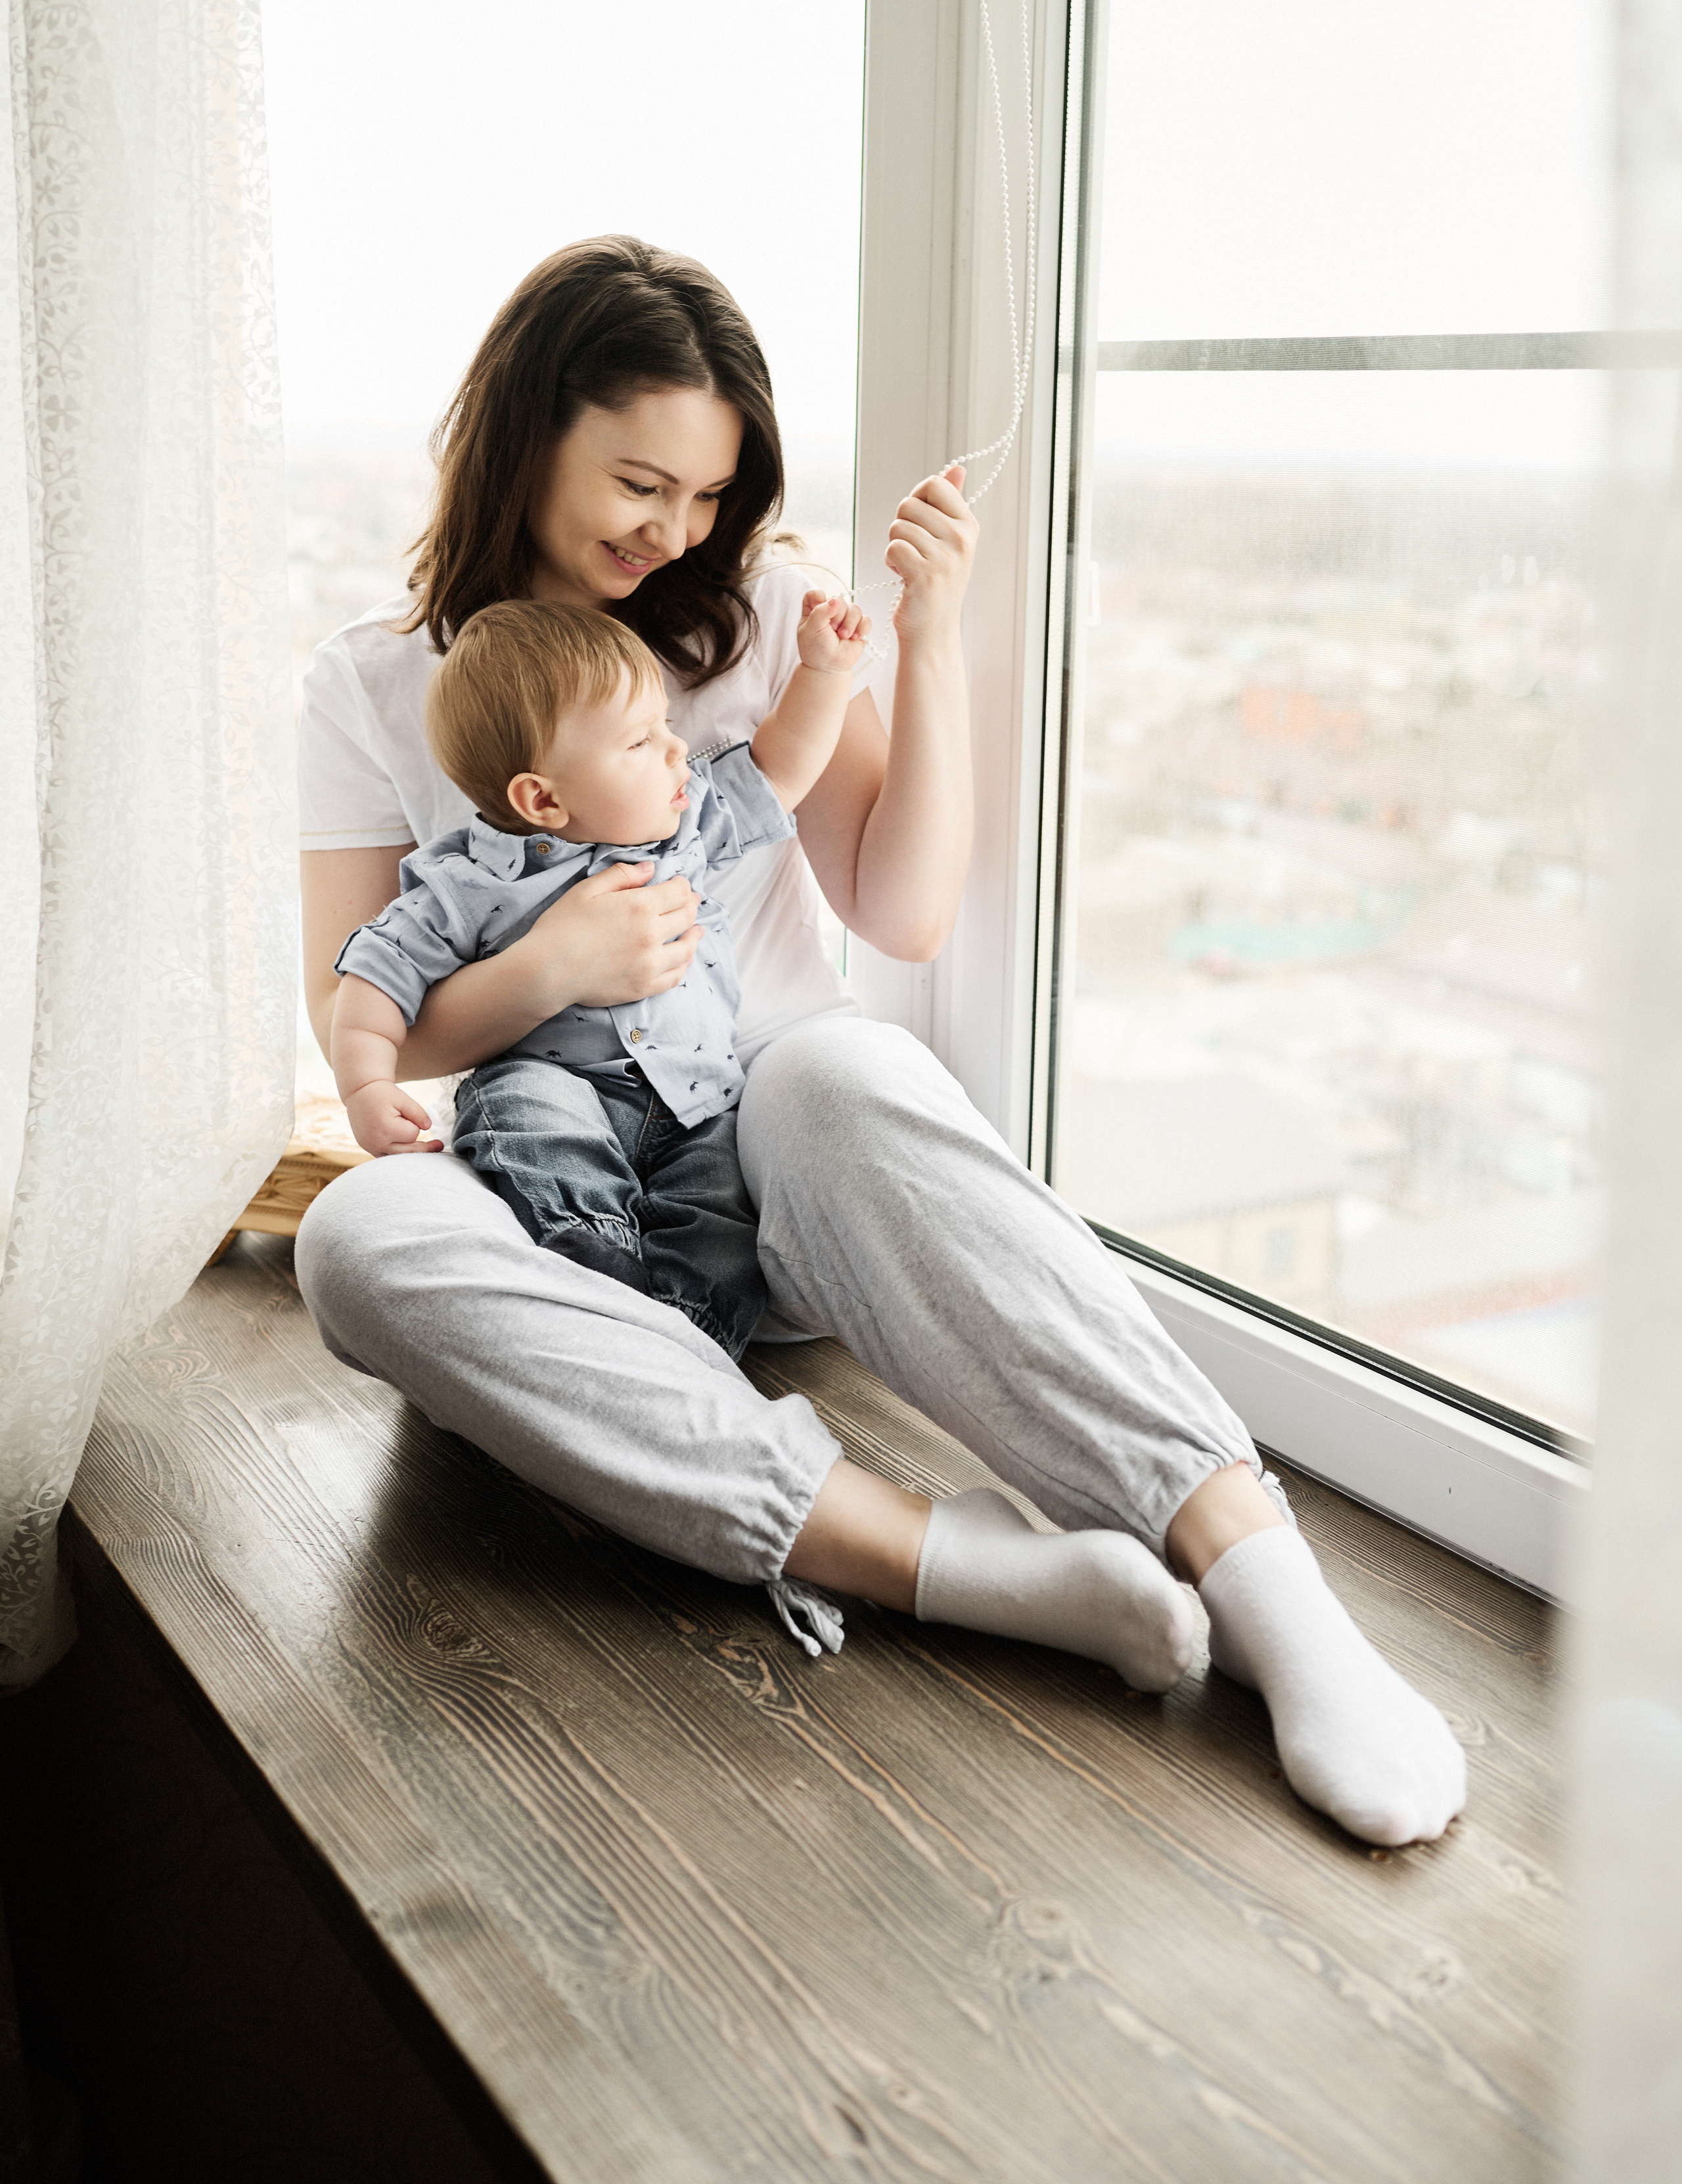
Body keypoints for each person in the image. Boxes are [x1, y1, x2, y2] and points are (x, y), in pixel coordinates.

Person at [295, 234, 1466, 1847]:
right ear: (525, 431)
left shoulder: (762, 616)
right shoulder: (371, 685)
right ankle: (945, 1560)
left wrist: (925, 635)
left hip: (779, 1172)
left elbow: (900, 908)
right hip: (556, 1194)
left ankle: (1261, 1578)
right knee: (354, 1242)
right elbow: (367, 1014)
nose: (673, 531)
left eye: (706, 495)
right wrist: (548, 961)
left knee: (840, 1068)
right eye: (639, 480)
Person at [330, 590, 870, 1360]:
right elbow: (374, 973)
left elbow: (781, 769)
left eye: (668, 728)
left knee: (721, 1227)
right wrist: (365, 1084)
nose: (677, 751)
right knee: (525, 1113)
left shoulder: (685, 831)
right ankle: (593, 1262)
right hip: (555, 1086)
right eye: (641, 742)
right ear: (541, 797)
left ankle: (682, 1346)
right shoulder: (469, 879)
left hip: (697, 1104)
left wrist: (821, 670)